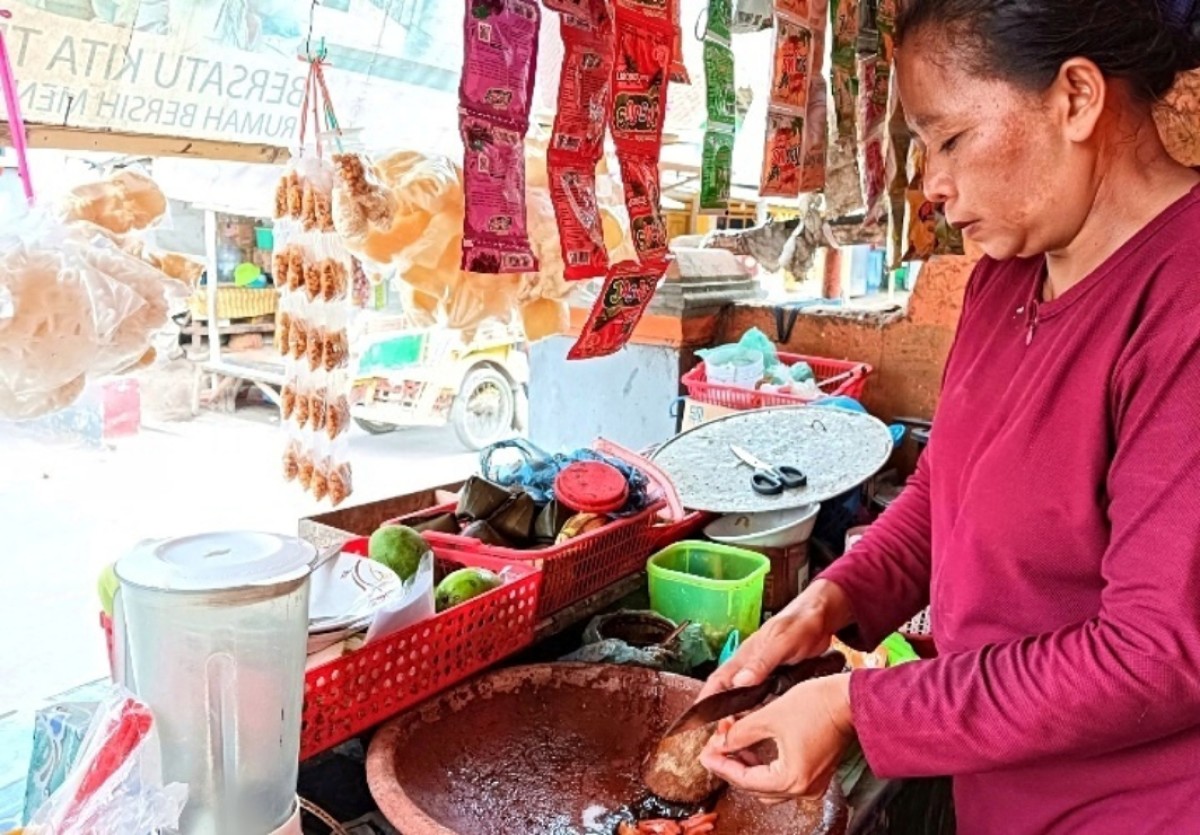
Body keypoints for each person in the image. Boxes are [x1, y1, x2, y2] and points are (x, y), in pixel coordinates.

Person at [697, 2, 1200, 832]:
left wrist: (863, 706)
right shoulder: (1005, 279)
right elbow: (946, 491)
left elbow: (1156, 654)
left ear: (1075, 97)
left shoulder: (1178, 300)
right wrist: (827, 602)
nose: (930, 183)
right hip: (999, 790)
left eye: (950, 139)